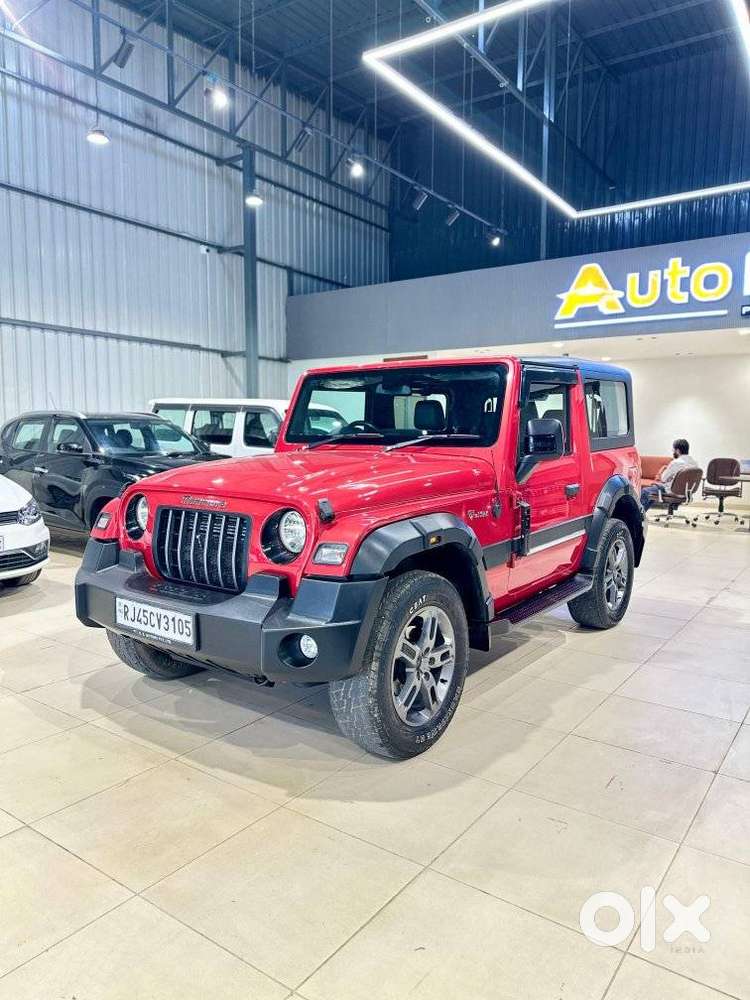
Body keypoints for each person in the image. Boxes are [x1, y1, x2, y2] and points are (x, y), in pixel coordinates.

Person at [640, 439, 700, 511]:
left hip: (671, 491)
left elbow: (663, 479)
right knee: (653, 489)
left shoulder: (676, 463)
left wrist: (665, 470)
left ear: (677, 451)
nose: (673, 451)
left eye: (673, 450)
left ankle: (638, 516)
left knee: (645, 491)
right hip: (686, 493)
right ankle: (642, 514)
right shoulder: (695, 463)